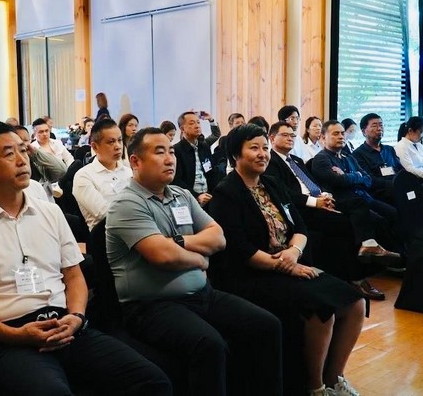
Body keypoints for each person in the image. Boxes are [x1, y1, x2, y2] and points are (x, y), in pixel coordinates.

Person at [0, 122, 172, 396]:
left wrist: (76, 316)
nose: (22, 160)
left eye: (23, 150)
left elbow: (74, 275)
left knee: (152, 381)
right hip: (9, 338)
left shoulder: (50, 213)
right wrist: (15, 335)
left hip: (65, 325)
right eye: (9, 154)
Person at [106, 127, 282, 396]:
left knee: (267, 325)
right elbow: (162, 256)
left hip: (202, 294)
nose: (170, 159)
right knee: (210, 345)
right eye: (159, 152)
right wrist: (200, 260)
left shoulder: (182, 195)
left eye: (171, 152)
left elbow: (218, 237)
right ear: (135, 161)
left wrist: (176, 241)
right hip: (152, 306)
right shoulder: (126, 204)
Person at [208, 124, 365, 396]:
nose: (262, 154)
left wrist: (294, 252)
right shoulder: (226, 193)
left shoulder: (271, 184)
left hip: (290, 262)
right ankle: (315, 387)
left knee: (356, 303)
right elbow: (241, 250)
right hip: (255, 272)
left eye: (265, 148)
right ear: (235, 154)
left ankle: (334, 378)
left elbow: (300, 227)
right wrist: (287, 266)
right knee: (321, 311)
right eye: (254, 148)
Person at [265, 122, 385, 300]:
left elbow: (312, 184)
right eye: (285, 135)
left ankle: (368, 245)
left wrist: (325, 196)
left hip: (318, 201)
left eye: (292, 135)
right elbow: (284, 193)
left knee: (358, 204)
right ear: (272, 138)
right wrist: (315, 202)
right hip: (300, 209)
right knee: (347, 224)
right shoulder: (270, 162)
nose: (290, 139)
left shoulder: (296, 160)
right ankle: (357, 278)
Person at [311, 120, 403, 264]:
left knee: (394, 214)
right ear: (323, 137)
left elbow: (368, 180)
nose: (341, 136)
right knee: (380, 221)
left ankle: (402, 257)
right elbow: (339, 181)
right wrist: (356, 176)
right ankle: (392, 262)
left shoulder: (349, 158)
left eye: (342, 133)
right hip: (344, 201)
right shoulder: (321, 159)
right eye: (335, 133)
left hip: (364, 197)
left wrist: (351, 176)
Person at [73, 119, 132, 231]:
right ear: (95, 147)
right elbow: (104, 213)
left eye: (120, 140)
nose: (118, 146)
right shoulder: (84, 176)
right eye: (111, 142)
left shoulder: (128, 172)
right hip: (106, 235)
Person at [172, 111, 220, 208]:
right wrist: (196, 196)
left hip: (208, 196)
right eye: (192, 123)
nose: (197, 126)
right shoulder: (177, 150)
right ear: (182, 128)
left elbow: (211, 172)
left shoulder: (204, 147)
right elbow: (176, 180)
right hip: (189, 199)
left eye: (198, 122)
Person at [352, 114, 402, 204]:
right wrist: (393, 184)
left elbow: (400, 169)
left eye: (381, 125)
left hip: (398, 188)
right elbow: (369, 179)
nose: (379, 129)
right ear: (364, 132)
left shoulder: (389, 149)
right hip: (378, 193)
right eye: (374, 126)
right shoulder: (358, 154)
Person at [394, 116, 423, 181]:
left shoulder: (419, 145)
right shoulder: (401, 146)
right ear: (410, 131)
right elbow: (409, 169)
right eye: (421, 132)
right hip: (415, 181)